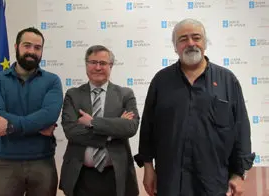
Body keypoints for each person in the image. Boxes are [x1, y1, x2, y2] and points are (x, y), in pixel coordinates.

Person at [134, 18, 255, 196]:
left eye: (196, 37)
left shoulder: (227, 80)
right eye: (183, 39)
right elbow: (148, 128)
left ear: (205, 42)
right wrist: (148, 167)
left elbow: (241, 129)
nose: (191, 43)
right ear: (175, 46)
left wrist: (238, 173)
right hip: (170, 180)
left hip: (213, 181)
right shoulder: (161, 81)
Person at [0, 27, 63, 196]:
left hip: (42, 162)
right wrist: (35, 125)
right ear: (16, 46)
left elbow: (49, 115)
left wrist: (10, 126)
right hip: (4, 163)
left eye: (37, 47)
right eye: (27, 45)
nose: (32, 51)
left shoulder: (52, 81)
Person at [59, 45, 139, 196]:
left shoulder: (125, 94)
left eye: (102, 63)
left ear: (111, 66)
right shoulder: (73, 95)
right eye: (92, 62)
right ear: (86, 64)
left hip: (115, 175)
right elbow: (72, 132)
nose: (97, 67)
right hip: (80, 175)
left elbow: (130, 127)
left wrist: (92, 123)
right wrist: (114, 128)